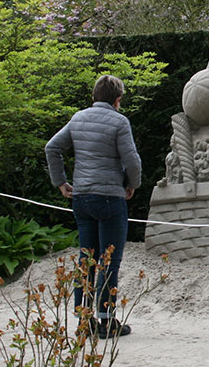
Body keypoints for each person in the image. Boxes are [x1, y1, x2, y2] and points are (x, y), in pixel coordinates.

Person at [45, 74, 141, 338]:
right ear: (118, 100)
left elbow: (52, 148)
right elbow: (131, 160)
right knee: (109, 261)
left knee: (85, 260)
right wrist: (132, 183)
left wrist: (61, 182)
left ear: (93, 97)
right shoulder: (120, 122)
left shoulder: (78, 118)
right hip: (110, 196)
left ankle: (83, 322)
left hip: (82, 198)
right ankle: (107, 321)